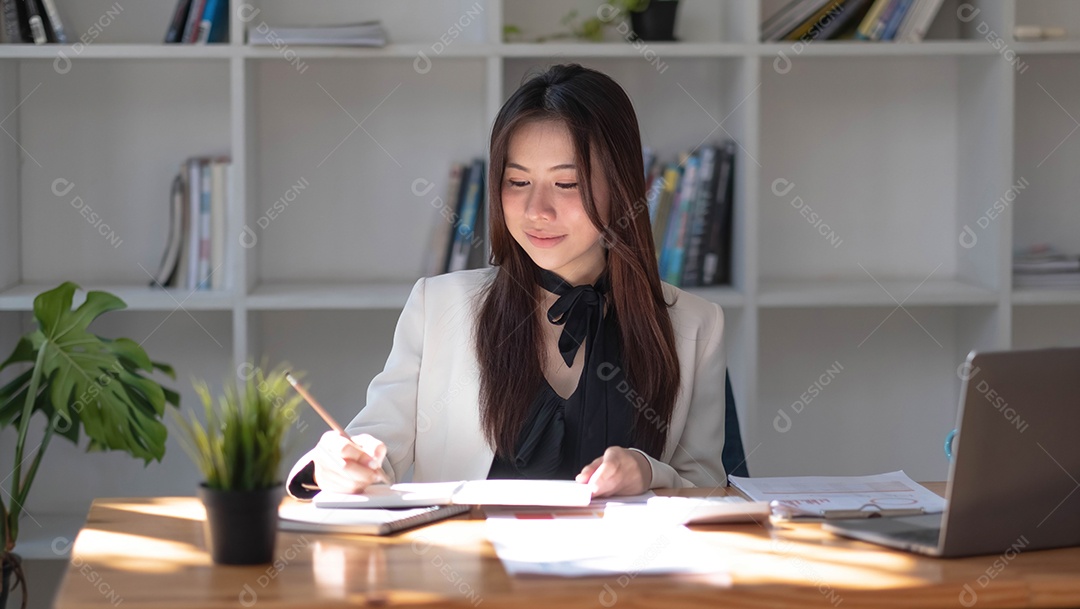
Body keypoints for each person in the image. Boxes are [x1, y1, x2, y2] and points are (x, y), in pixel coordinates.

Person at [287, 63, 727, 500]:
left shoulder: (696, 325)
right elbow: (374, 448)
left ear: (622, 186)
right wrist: (341, 464)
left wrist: (649, 472)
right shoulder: (438, 307)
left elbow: (708, 487)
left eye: (567, 182)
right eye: (517, 181)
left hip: (632, 569)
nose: (538, 209)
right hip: (470, 567)